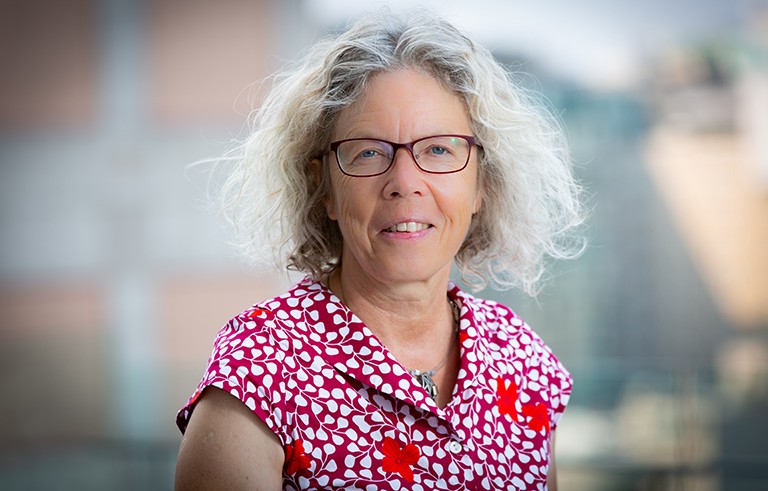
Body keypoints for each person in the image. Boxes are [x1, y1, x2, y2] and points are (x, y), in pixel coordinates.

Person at [175, 9, 585, 491]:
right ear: (323, 188)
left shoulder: (524, 363)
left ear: (481, 187)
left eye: (439, 149)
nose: (405, 183)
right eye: (369, 151)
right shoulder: (259, 370)